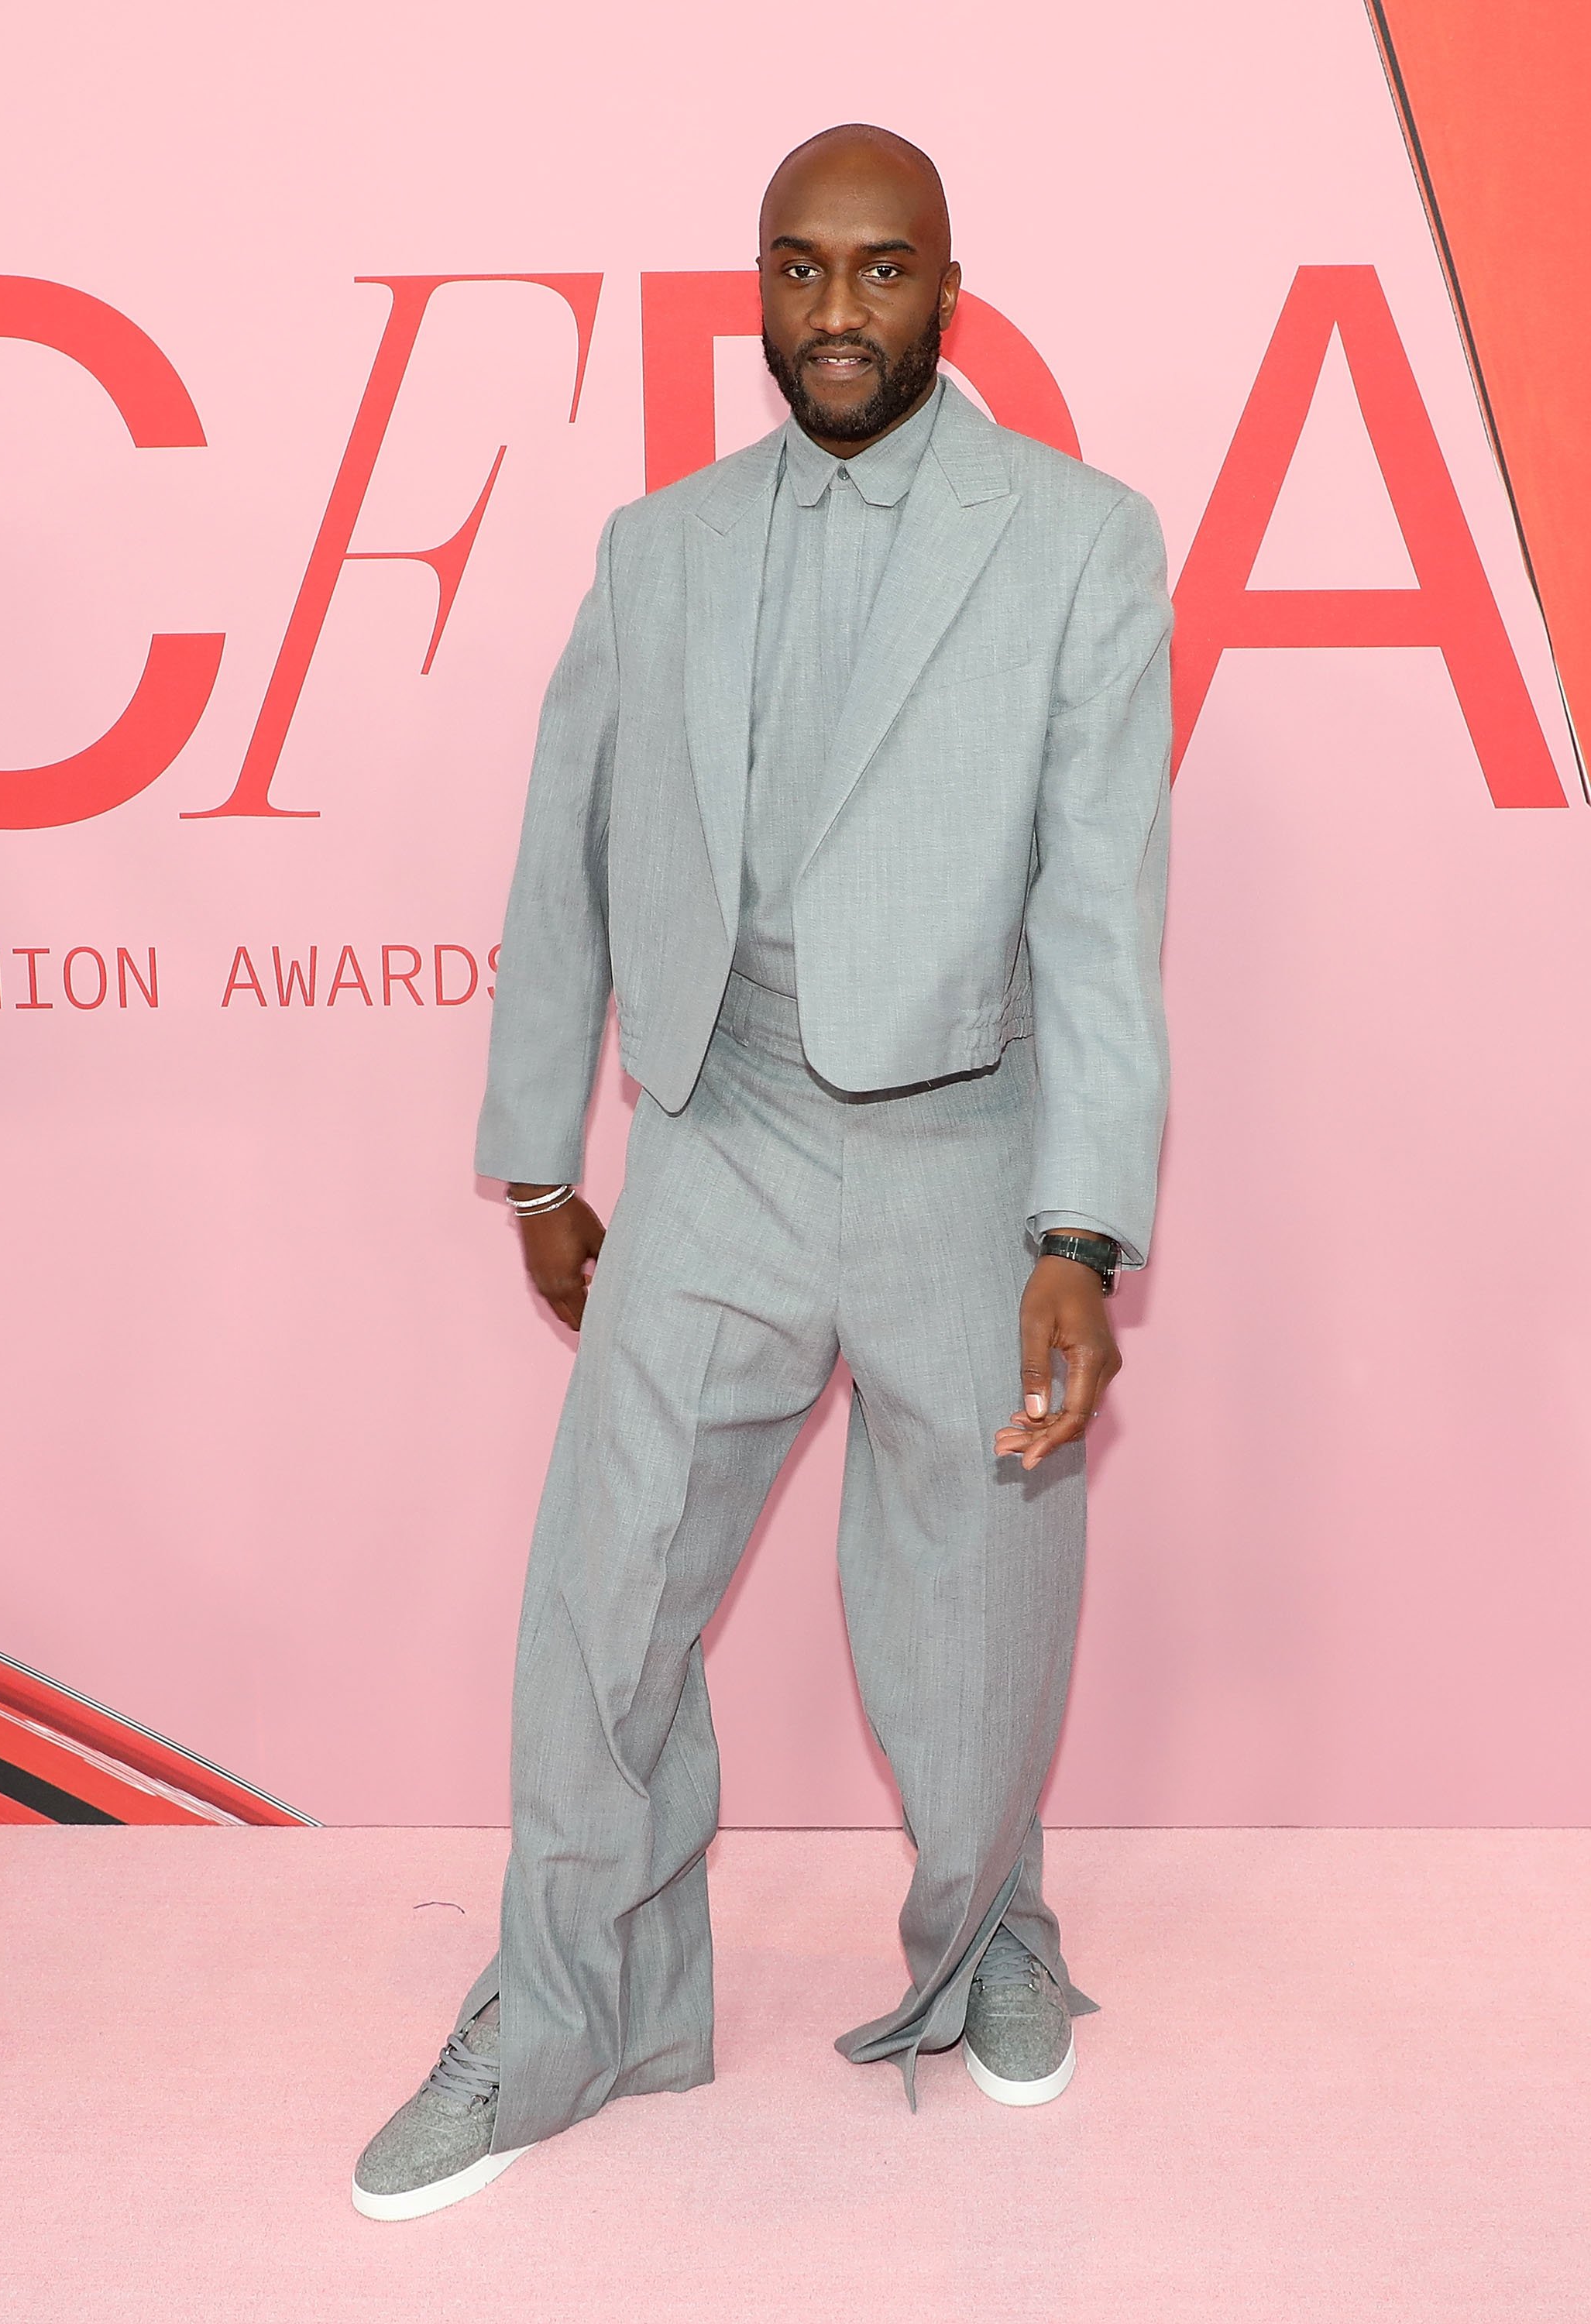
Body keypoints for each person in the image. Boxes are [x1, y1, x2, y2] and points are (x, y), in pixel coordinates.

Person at [353, 121, 1173, 2222]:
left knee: (975, 1625)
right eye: (799, 270)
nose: (836, 312)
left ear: (949, 291)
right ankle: (570, 2008)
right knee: (601, 1604)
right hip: (716, 1135)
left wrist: (1081, 1232)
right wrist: (544, 1160)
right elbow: (568, 859)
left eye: (881, 272)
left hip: (963, 1151)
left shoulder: (1077, 541)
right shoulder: (664, 545)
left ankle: (994, 1931)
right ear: (758, 289)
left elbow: (1099, 910)